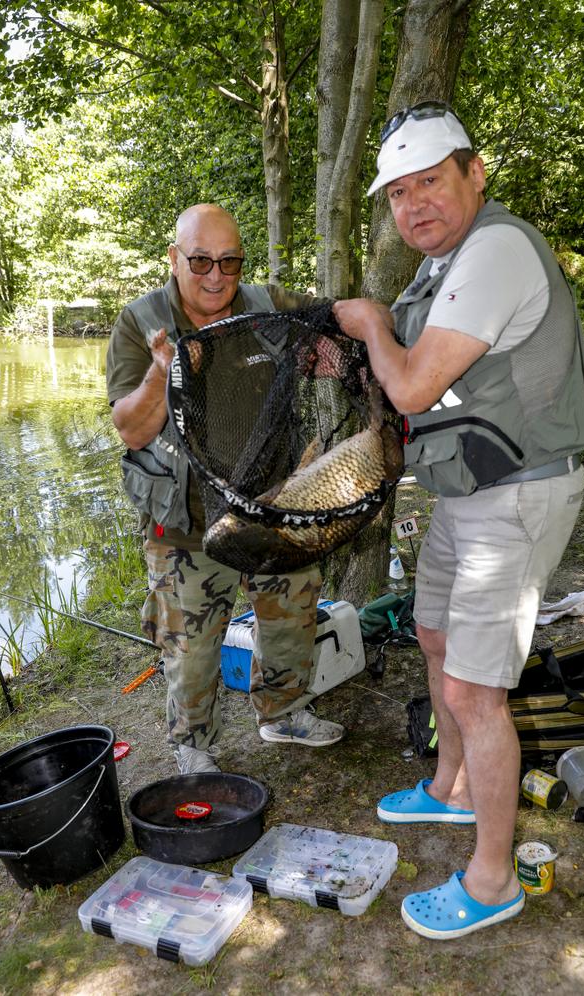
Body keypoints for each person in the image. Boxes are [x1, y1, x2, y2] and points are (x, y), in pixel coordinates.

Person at [334, 101, 584, 939]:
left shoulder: (497, 251)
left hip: (517, 495)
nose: (415, 206)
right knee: (437, 639)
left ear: (474, 175)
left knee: (476, 692)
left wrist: (369, 322)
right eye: (399, 193)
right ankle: (447, 789)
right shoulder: (441, 264)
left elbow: (410, 386)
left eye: (432, 183)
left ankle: (492, 883)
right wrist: (367, 340)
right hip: (466, 491)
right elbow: (413, 358)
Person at [106, 203, 344, 775]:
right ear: (174, 258)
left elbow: (341, 315)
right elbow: (130, 427)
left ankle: (283, 711)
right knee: (191, 648)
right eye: (201, 261)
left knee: (292, 615)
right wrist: (161, 373)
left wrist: (345, 342)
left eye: (229, 261)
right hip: (186, 523)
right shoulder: (141, 322)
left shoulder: (267, 306)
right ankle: (193, 744)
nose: (216, 276)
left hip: (273, 506)